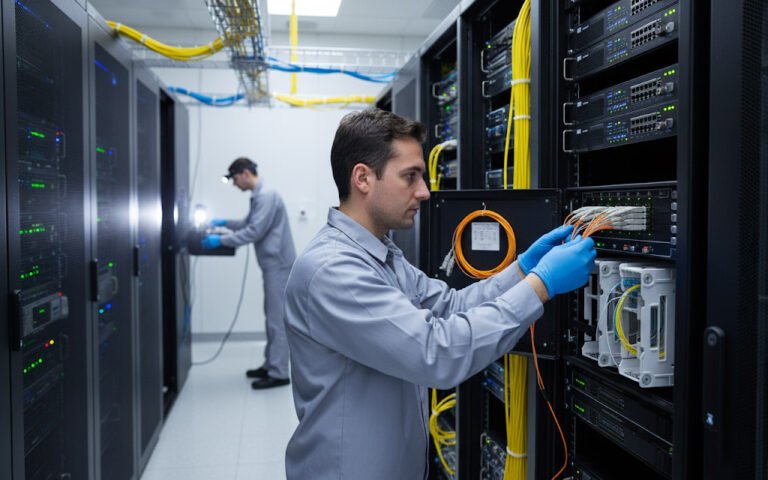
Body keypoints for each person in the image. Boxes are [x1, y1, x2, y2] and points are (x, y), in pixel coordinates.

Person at [282, 109, 596, 478]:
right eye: (410, 176)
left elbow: (450, 305)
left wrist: (523, 270)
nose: (425, 192)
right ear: (363, 178)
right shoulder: (334, 270)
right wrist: (541, 285)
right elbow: (436, 352)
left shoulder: (381, 255)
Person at [202, 157, 296, 389]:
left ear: (245, 173)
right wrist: (223, 222)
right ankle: (270, 364)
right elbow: (247, 223)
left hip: (279, 266)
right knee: (271, 317)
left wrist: (220, 240)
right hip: (271, 265)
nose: (235, 185)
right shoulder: (259, 196)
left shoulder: (266, 196)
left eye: (235, 179)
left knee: (277, 320)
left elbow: (254, 231)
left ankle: (279, 372)